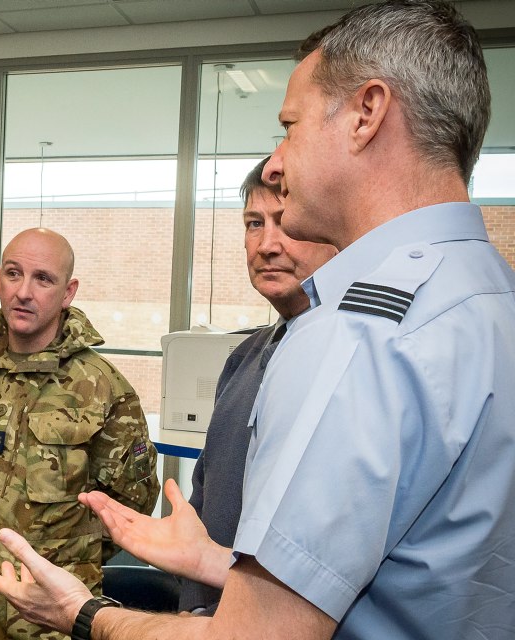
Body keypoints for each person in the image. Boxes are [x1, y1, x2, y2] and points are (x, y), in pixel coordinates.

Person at [0, 2, 515, 639]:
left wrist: (84, 614)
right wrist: (208, 559)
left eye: (290, 126)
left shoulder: (357, 335)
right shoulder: (486, 293)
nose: (274, 165)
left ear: (367, 113)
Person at [0, 227, 160, 639]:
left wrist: (63, 557)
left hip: (43, 620)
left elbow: (130, 508)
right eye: (14, 274)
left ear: (68, 292)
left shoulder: (100, 387)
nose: (24, 292)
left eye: (43, 279)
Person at [180, 157, 336, 614]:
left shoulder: (349, 365)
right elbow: (206, 498)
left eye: (286, 224)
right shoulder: (243, 359)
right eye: (254, 223)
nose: (267, 244)